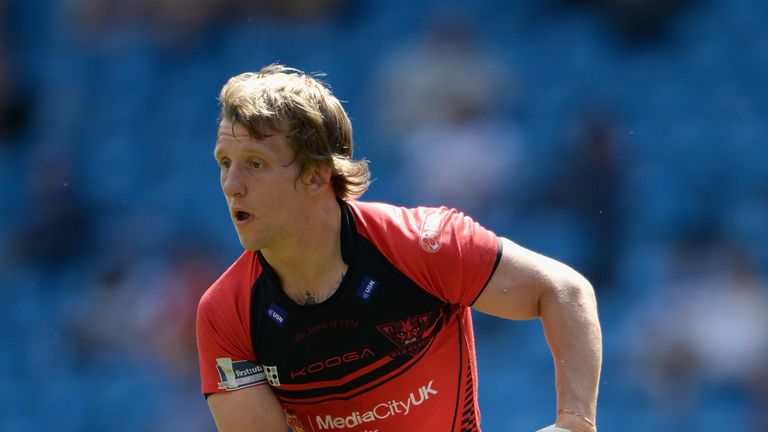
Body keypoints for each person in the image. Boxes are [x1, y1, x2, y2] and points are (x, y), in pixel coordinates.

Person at [195, 64, 602, 432]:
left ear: (316, 175)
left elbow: (564, 291)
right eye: (225, 162)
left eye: (256, 163)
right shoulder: (225, 314)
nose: (231, 185)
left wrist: (574, 423)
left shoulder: (424, 246)